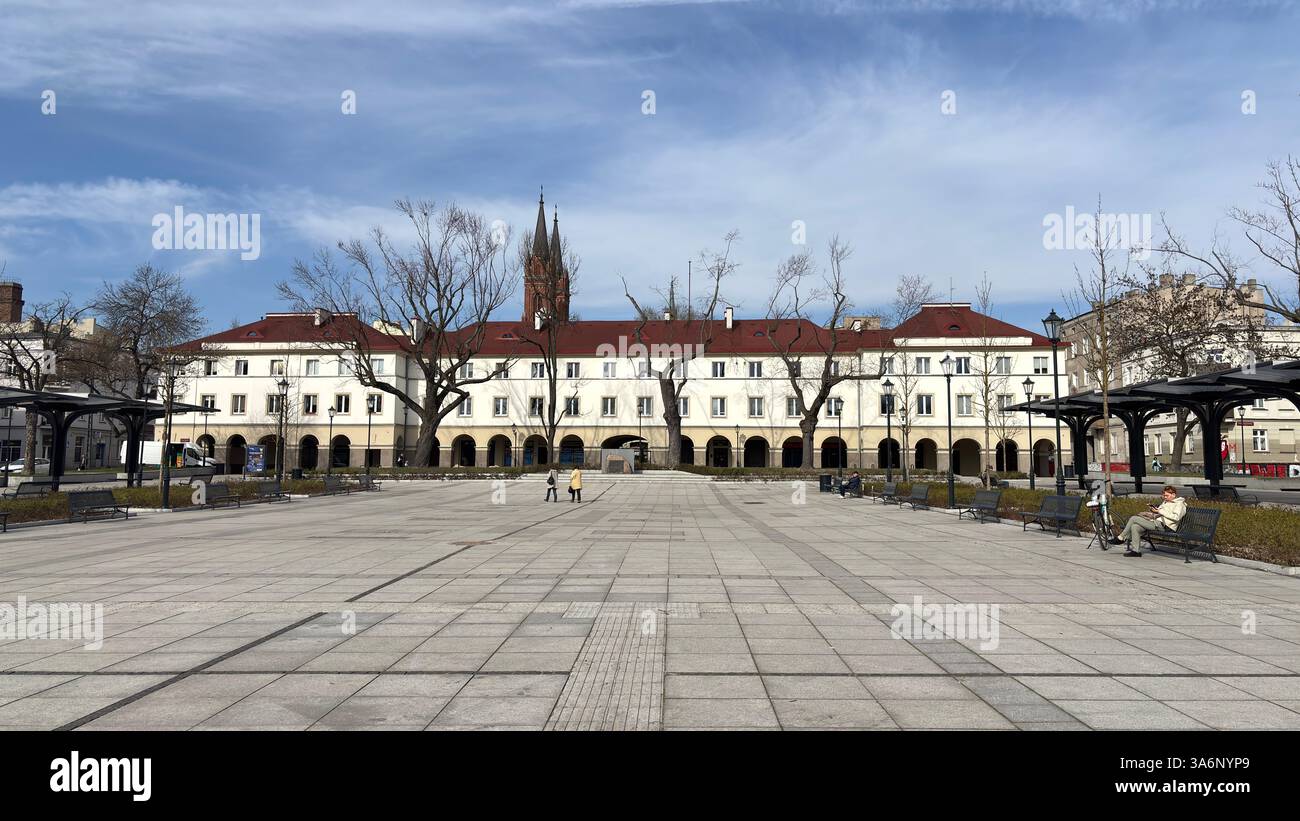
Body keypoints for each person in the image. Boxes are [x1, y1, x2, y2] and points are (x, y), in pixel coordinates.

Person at [1110, 485, 1186, 557]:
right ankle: (1135, 551)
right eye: (1164, 496)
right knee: (1135, 526)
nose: (1165, 497)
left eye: (1167, 495)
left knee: (1133, 518)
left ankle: (1121, 537)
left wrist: (1159, 511)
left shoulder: (1179, 504)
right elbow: (1160, 514)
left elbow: (1176, 517)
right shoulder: (1166, 502)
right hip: (1156, 523)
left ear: (1173, 495)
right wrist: (1151, 513)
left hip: (1166, 526)